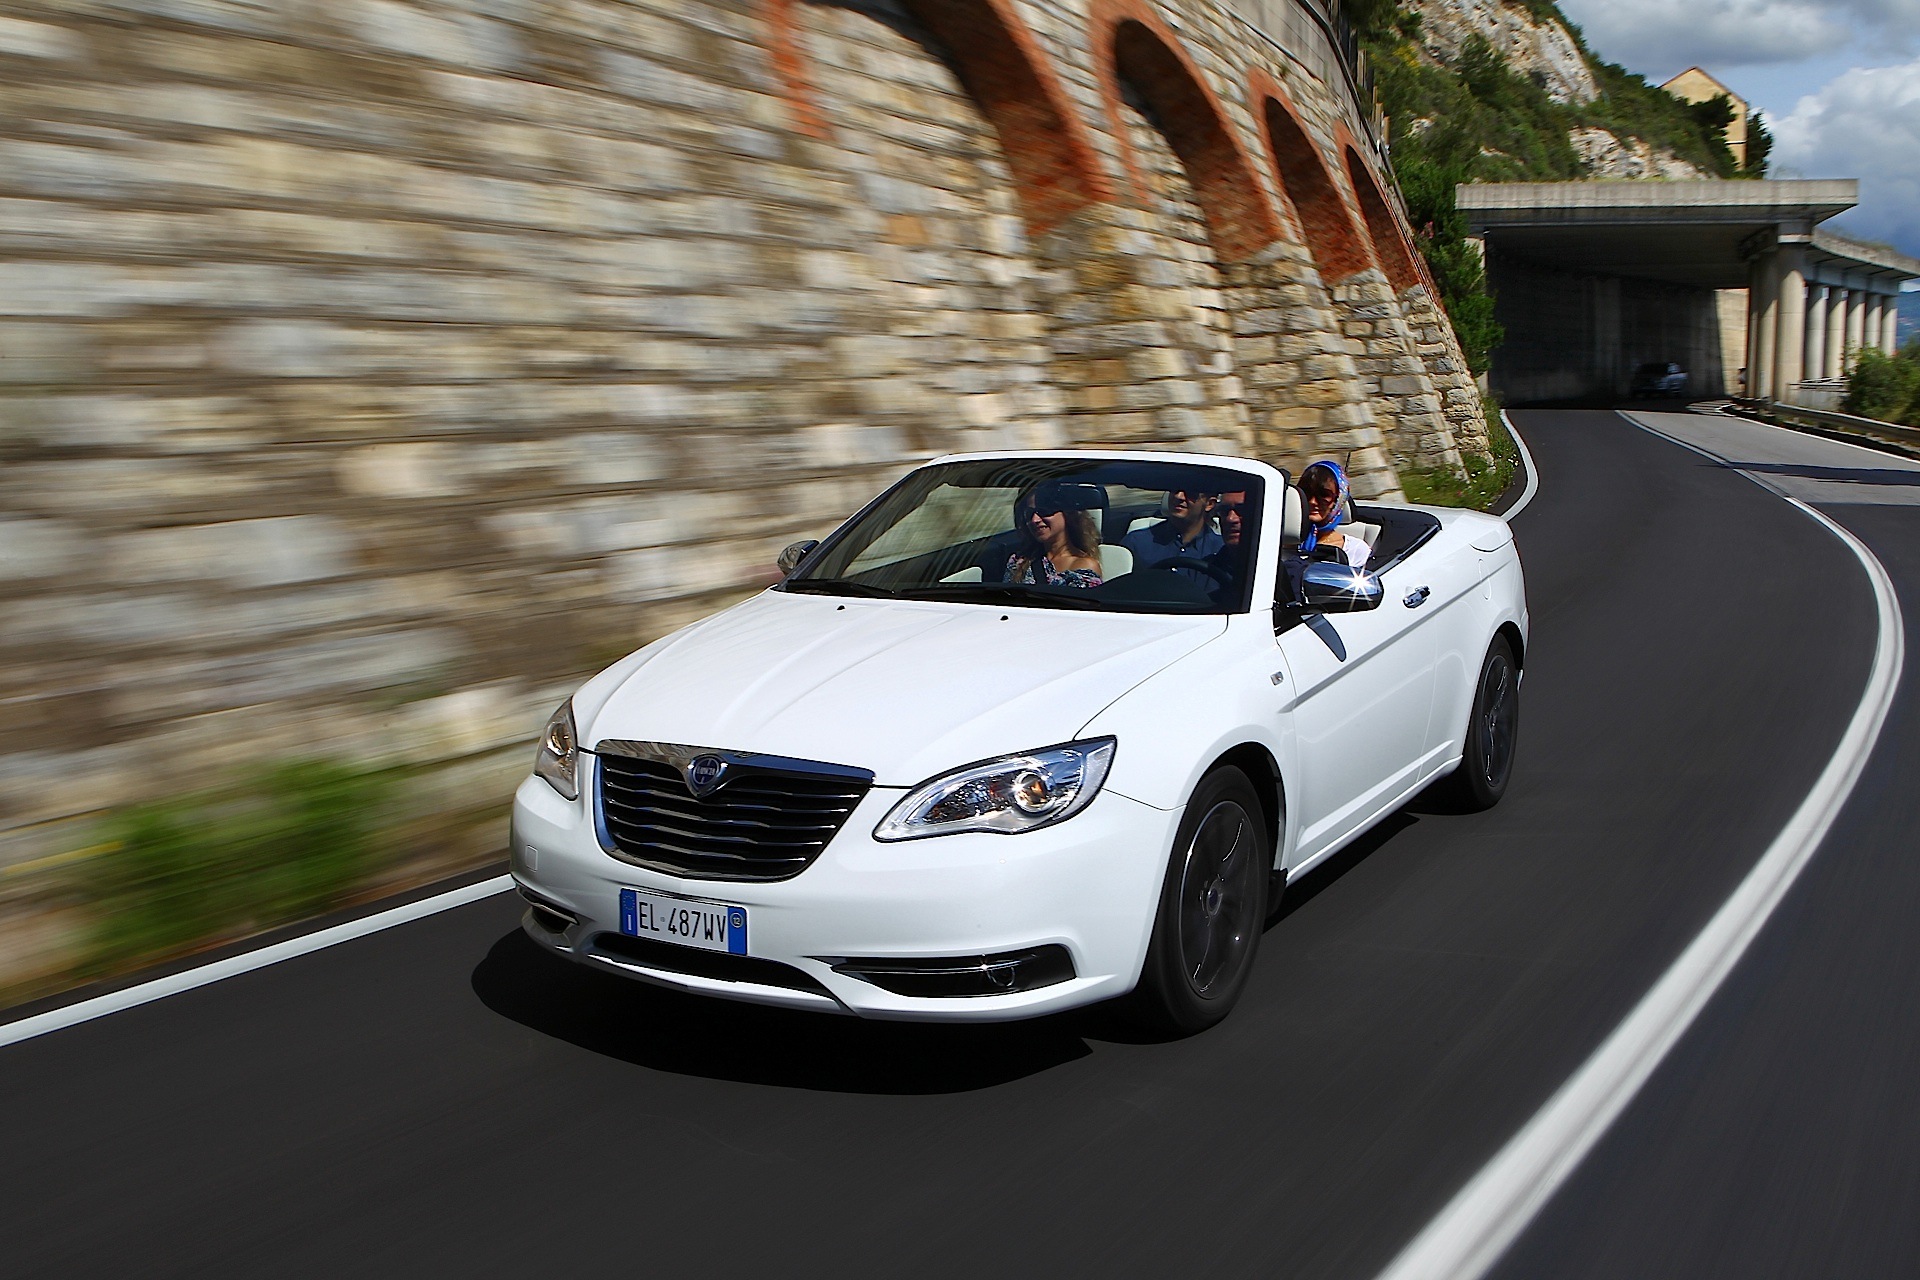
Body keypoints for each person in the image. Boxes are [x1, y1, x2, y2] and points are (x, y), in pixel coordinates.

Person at [1004, 482, 1103, 589]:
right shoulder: (1019, 562)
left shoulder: (1085, 566)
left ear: (1067, 513)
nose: (1035, 520)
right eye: (1029, 513)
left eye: (1044, 511)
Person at [1122, 484, 1222, 581]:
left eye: (1191, 492)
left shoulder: (1220, 552)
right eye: (1174, 489)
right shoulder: (1136, 543)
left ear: (1209, 504)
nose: (1179, 496)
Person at [1297, 461, 1370, 568]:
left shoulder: (1355, 550)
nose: (1312, 501)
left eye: (1324, 495)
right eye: (1307, 493)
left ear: (1338, 500)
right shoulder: (1281, 540)